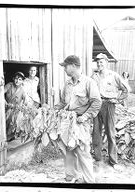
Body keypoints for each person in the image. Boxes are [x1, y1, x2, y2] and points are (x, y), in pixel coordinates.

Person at [55, 55, 102, 183]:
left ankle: (89, 182)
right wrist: (52, 110)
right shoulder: (68, 83)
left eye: (66, 66)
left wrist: (86, 116)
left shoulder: (88, 82)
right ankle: (71, 177)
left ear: (74, 66)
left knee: (83, 152)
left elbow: (97, 102)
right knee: (68, 150)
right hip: (67, 121)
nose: (64, 69)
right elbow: (63, 102)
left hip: (81, 122)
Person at [91, 53, 128, 170]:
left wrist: (117, 99)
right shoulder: (94, 76)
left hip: (109, 105)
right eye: (97, 62)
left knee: (110, 133)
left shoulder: (114, 76)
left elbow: (126, 90)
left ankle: (113, 160)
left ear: (106, 63)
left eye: (101, 62)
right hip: (97, 105)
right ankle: (98, 158)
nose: (99, 64)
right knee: (96, 132)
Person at [4, 72, 26, 141]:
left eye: (20, 79)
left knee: (14, 122)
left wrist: (21, 107)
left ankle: (10, 137)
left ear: (22, 81)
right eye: (16, 78)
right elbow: (0, 92)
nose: (17, 81)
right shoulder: (9, 85)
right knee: (4, 121)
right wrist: (4, 101)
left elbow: (25, 101)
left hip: (15, 109)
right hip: (6, 107)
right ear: (13, 79)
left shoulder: (22, 90)